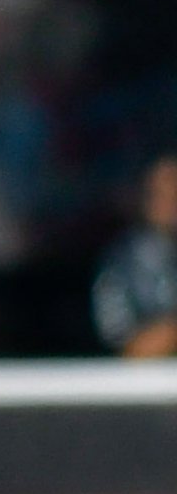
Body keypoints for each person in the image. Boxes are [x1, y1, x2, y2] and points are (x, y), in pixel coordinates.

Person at [92, 150, 177, 358]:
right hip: (144, 376)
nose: (171, 203)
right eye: (160, 194)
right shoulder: (121, 262)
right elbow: (127, 347)